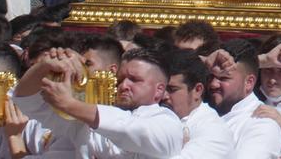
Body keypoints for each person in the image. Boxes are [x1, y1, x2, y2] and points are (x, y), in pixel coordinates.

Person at [13, 46, 185, 158]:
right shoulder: (85, 119)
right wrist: (44, 66)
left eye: (134, 80)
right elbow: (27, 100)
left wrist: (70, 104)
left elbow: (133, 130)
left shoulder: (167, 122)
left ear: (159, 90)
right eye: (121, 79)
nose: (124, 85)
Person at [206, 38, 281, 159]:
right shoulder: (202, 111)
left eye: (224, 78)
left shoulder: (261, 124)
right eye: (211, 76)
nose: (213, 84)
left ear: (249, 82)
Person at [162, 48, 233, 159]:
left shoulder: (214, 131)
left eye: (172, 89)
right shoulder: (151, 116)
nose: (163, 96)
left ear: (197, 90)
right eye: (161, 88)